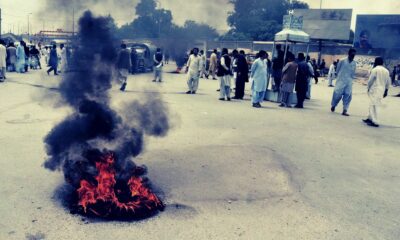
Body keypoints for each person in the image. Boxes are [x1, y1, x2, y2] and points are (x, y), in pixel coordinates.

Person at [363, 57, 390, 127]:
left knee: (373, 105)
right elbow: (388, 82)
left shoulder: (375, 70)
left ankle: (375, 121)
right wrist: (386, 90)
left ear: (376, 62)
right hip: (382, 89)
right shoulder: (386, 71)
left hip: (374, 89)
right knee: (373, 103)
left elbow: (370, 80)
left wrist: (368, 87)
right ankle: (369, 118)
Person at [331, 48, 357, 116]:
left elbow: (353, 73)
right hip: (341, 80)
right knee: (337, 94)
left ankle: (345, 110)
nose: (353, 56)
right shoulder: (342, 61)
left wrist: (351, 80)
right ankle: (333, 105)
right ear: (349, 54)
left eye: (354, 55)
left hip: (349, 82)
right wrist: (338, 78)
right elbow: (337, 70)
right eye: (352, 54)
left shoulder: (354, 63)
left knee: (348, 95)